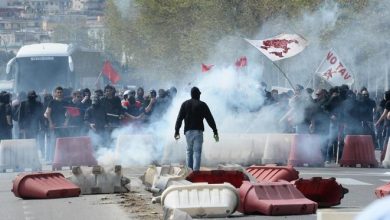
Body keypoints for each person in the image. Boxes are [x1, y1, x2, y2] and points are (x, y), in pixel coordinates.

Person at [174, 87, 219, 171]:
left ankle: (189, 172)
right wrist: (215, 130)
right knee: (197, 153)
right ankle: (195, 173)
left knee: (189, 152)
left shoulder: (185, 104)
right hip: (198, 132)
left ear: (191, 94)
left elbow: (179, 118)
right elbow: (210, 119)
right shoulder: (202, 104)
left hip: (188, 132)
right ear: (198, 94)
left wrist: (177, 130)